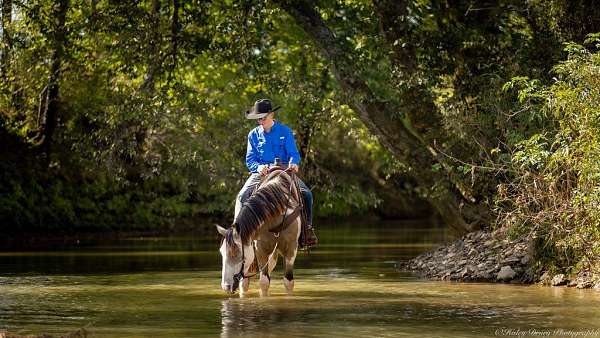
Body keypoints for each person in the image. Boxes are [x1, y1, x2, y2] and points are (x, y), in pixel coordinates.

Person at [236, 99, 317, 248]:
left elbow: (293, 153)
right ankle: (239, 234)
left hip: (284, 171)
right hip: (261, 173)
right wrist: (259, 168)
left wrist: (294, 163)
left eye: (263, 118)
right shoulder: (252, 135)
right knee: (242, 196)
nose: (260, 121)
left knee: (307, 194)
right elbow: (250, 159)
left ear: (271, 115)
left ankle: (307, 231)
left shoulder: (285, 131)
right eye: (258, 118)